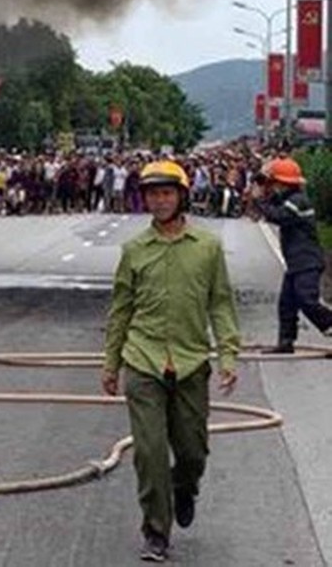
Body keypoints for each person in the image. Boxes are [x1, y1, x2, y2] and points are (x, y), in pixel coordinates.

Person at [102, 160, 240, 562]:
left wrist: (228, 354)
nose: (159, 201)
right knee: (149, 452)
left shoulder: (208, 248)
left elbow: (221, 304)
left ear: (181, 196)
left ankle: (185, 488)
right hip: (142, 362)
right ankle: (156, 531)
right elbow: (120, 311)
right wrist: (111, 364)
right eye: (152, 194)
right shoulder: (133, 251)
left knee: (193, 451)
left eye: (166, 193)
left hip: (191, 362)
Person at [251, 157, 332, 353]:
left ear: (283, 183)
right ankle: (286, 343)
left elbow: (279, 216)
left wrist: (259, 199)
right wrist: (263, 186)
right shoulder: (290, 198)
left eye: (274, 182)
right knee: (287, 304)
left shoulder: (297, 202)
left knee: (307, 300)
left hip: (307, 261)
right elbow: (274, 204)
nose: (272, 186)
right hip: (296, 262)